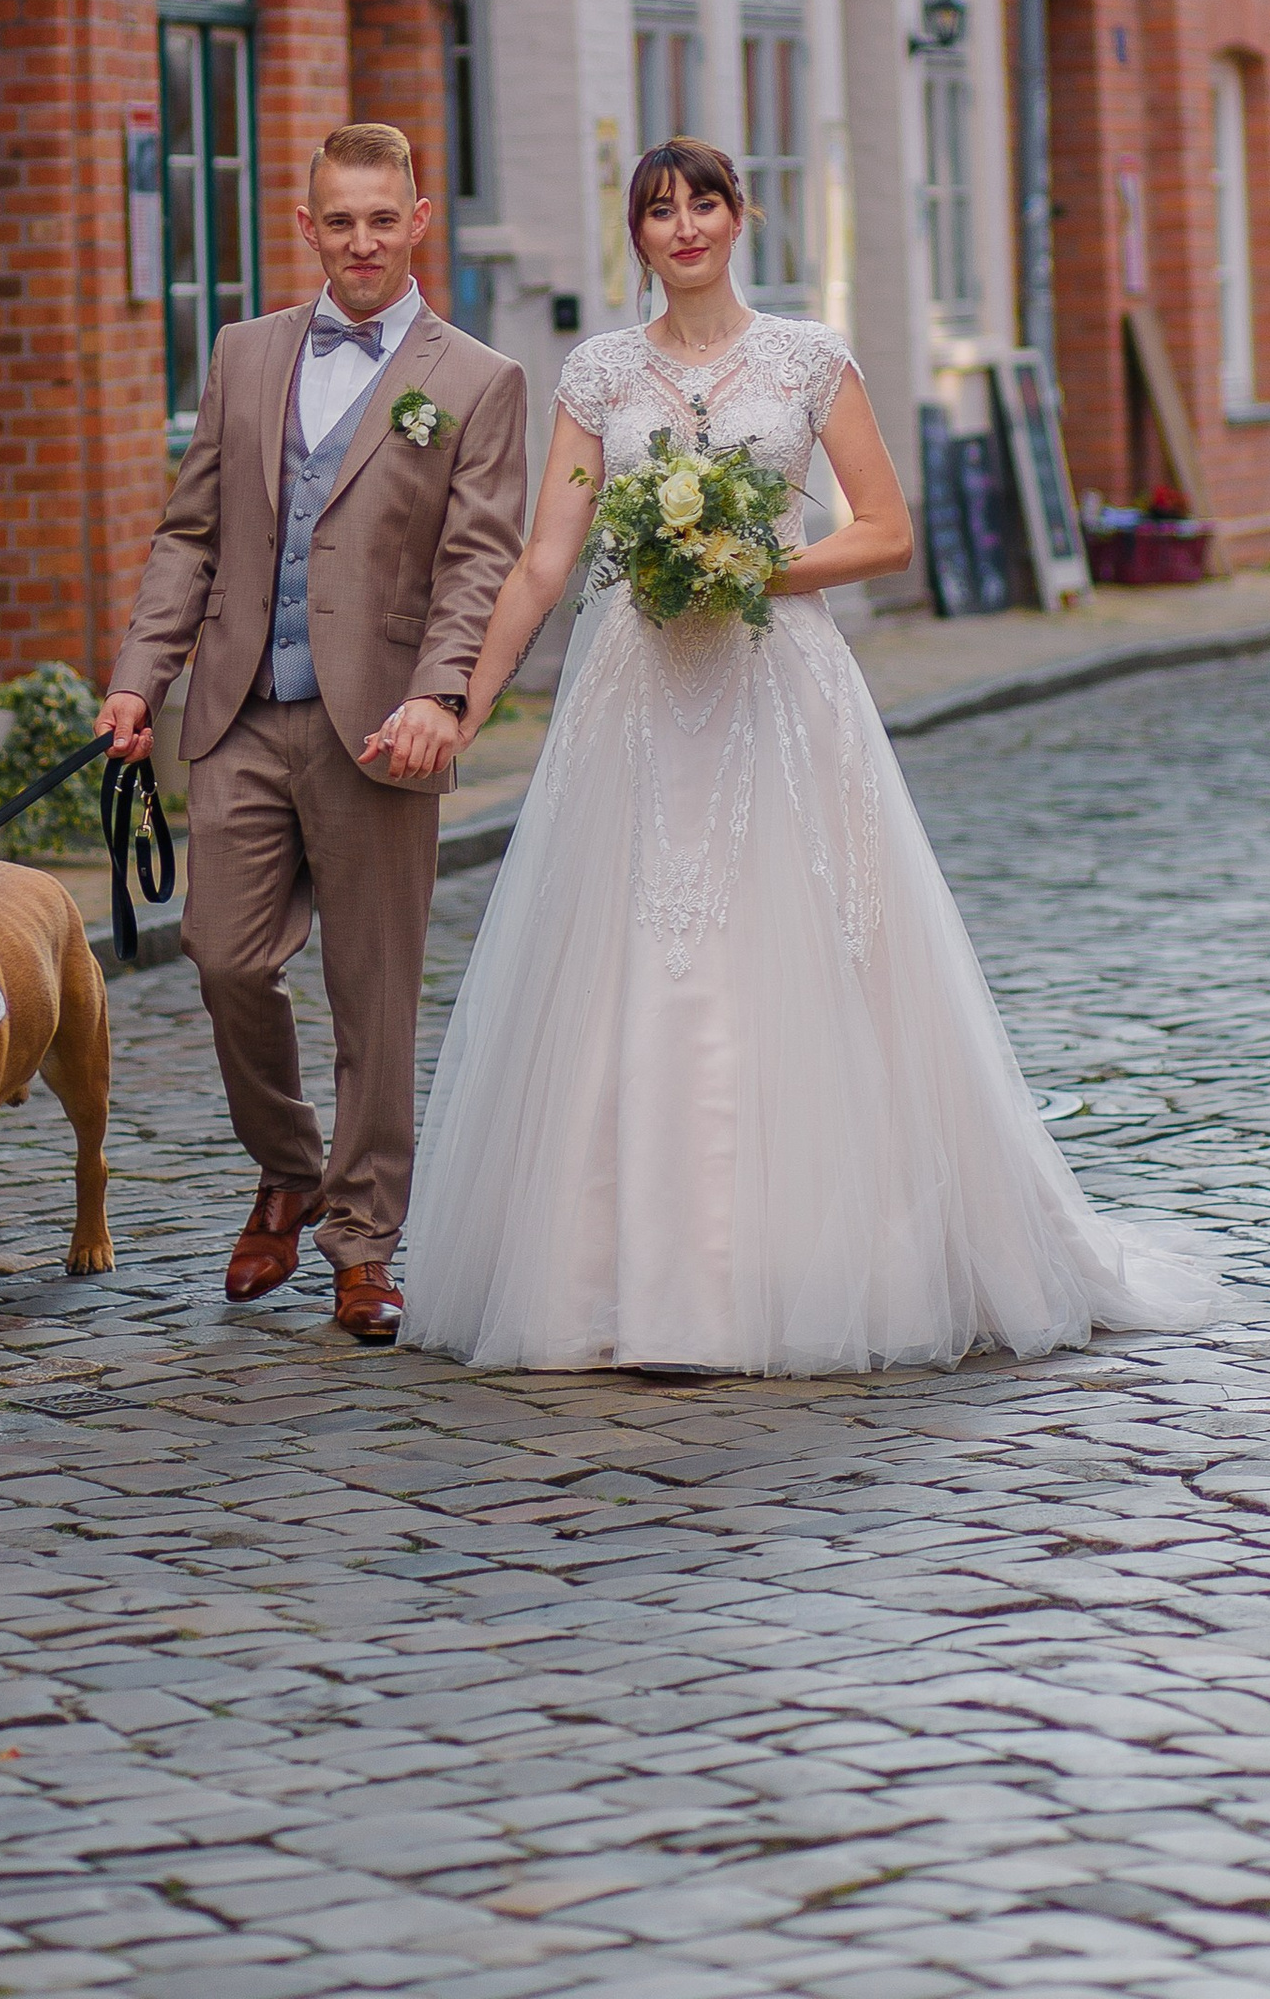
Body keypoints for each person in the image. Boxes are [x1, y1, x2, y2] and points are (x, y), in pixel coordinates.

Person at [399, 135, 1213, 1376]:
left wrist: (753, 567)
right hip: (635, 694)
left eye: (703, 204)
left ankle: (806, 1267)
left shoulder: (809, 359)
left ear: (743, 217)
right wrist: (459, 699)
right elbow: (545, 561)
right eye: (657, 210)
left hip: (779, 685)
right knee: (624, 956)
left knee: (804, 943)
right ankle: (608, 1276)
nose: (682, 228)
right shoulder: (598, 375)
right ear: (637, 236)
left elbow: (886, 531)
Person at [101, 123, 527, 1345]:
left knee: (371, 994)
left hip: (381, 726)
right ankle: (287, 1168)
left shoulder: (476, 379)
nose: (360, 242)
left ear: (418, 222)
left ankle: (361, 1244)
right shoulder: (243, 355)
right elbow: (190, 534)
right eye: (338, 221)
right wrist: (143, 676)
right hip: (236, 706)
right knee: (224, 956)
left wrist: (441, 697)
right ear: (305, 227)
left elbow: (476, 560)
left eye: (381, 219)